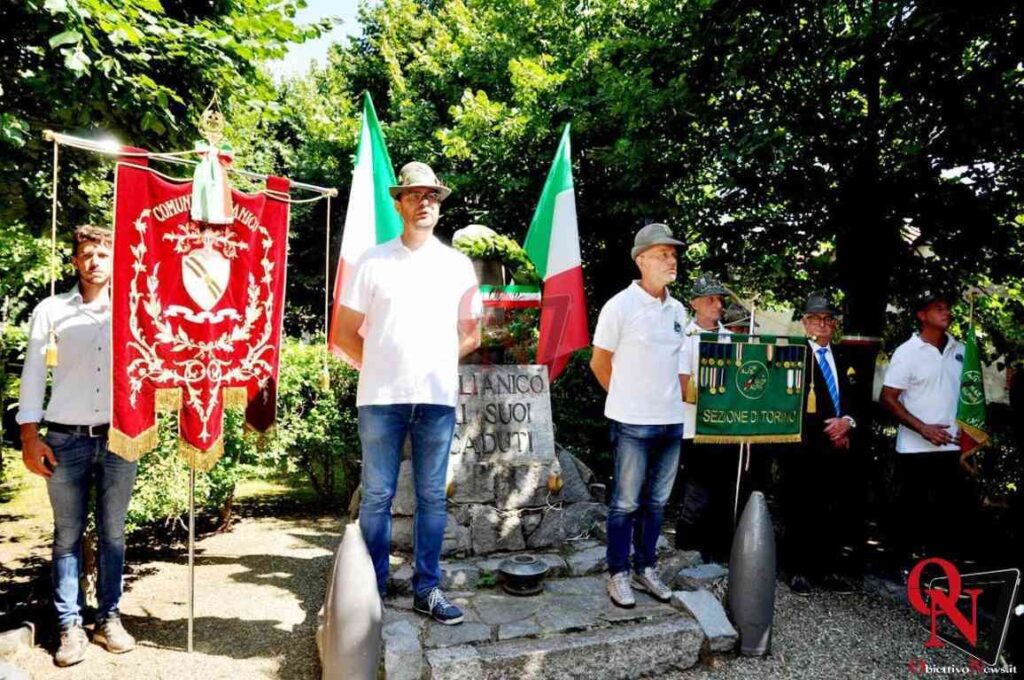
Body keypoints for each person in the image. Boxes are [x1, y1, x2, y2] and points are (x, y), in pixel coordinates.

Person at [333, 162, 481, 625]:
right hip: (381, 398)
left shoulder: (457, 265)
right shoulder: (373, 261)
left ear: (439, 205)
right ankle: (372, 590)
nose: (424, 203)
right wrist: (380, 364)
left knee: (433, 497)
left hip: (436, 399)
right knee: (377, 495)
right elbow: (342, 332)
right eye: (415, 195)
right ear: (398, 203)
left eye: (432, 196)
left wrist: (433, 363)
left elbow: (472, 334)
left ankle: (427, 590)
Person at [17, 225, 137, 667]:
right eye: (86, 254)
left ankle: (109, 617)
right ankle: (69, 624)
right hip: (64, 439)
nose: (94, 262)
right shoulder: (51, 310)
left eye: (103, 254)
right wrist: (30, 436)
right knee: (66, 535)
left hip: (120, 437)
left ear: (114, 259)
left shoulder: (132, 310)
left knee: (113, 534)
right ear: (74, 261)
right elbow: (33, 373)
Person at [590, 223, 688, 608]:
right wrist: (626, 400)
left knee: (658, 502)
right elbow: (600, 363)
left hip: (670, 421)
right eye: (663, 254)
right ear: (641, 259)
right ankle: (618, 574)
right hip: (632, 422)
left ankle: (646, 568)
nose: (671, 260)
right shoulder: (619, 306)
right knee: (625, 503)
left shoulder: (678, 309)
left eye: (674, 255)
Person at [775, 293, 863, 595]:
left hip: (840, 445)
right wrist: (826, 429)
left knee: (832, 510)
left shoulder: (845, 357)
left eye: (828, 319)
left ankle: (825, 569)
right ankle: (797, 570)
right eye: (816, 318)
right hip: (804, 446)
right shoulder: (793, 355)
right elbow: (786, 403)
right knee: (800, 507)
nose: (823, 324)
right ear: (804, 322)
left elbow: (857, 400)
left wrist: (847, 423)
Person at [881, 291, 970, 574]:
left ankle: (939, 572)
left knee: (947, 513)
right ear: (922, 315)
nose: (947, 313)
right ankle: (896, 567)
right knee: (910, 510)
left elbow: (969, 399)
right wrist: (923, 429)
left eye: (948, 308)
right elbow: (888, 398)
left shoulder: (962, 350)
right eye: (939, 308)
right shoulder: (907, 352)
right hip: (915, 449)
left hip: (953, 448)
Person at [675, 274, 734, 563]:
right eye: (710, 298)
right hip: (695, 429)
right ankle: (687, 553)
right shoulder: (684, 339)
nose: (717, 303)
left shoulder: (732, 339)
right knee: (698, 492)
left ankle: (719, 553)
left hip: (728, 429)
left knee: (724, 492)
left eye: (719, 298)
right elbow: (684, 386)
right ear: (694, 303)